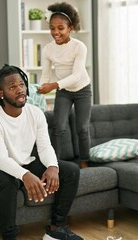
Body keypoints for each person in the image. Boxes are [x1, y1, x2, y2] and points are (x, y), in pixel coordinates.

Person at [0, 64, 83, 240]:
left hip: (25, 162)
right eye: (12, 87)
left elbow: (44, 146)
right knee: (8, 180)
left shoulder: (35, 113)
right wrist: (25, 175)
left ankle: (56, 229)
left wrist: (52, 166)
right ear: (1, 94)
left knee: (70, 171)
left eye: (21, 85)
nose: (20, 90)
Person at [37, 2, 92, 169]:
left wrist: (52, 86)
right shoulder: (47, 50)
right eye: (52, 28)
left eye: (60, 28)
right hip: (63, 91)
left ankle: (84, 161)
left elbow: (76, 76)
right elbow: (46, 75)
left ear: (70, 28)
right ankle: (53, 164)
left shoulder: (79, 47)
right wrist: (39, 89)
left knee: (82, 128)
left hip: (82, 89)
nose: (55, 32)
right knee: (58, 127)